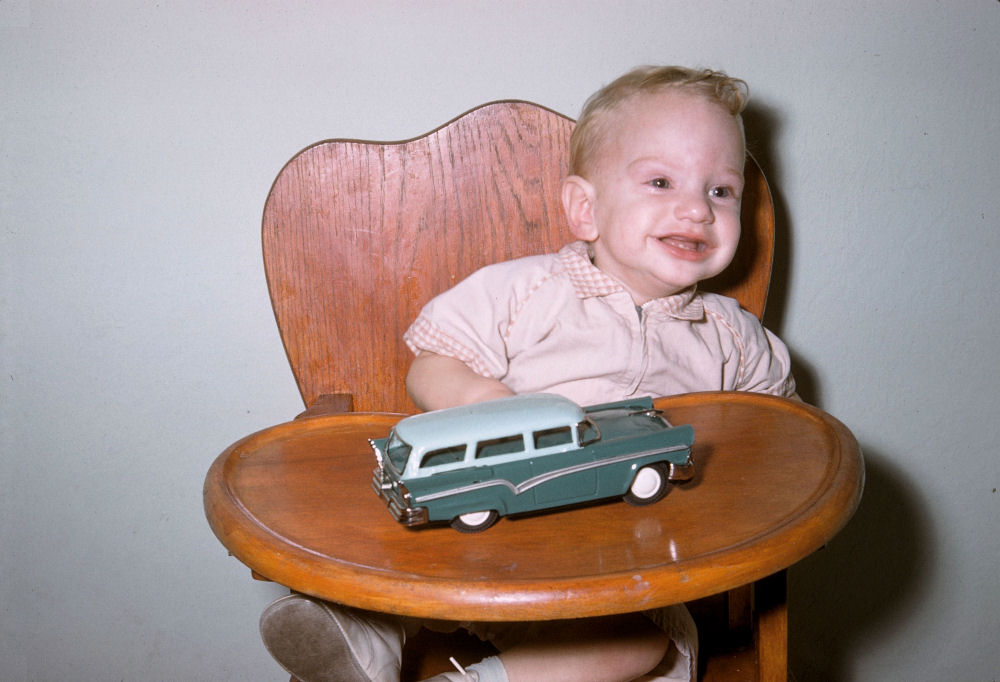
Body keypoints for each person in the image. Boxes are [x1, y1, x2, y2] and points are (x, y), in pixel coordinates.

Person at [259, 65, 796, 682]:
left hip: (627, 576)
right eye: (660, 180)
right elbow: (433, 361)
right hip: (486, 534)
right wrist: (488, 403)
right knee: (396, 552)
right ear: (585, 208)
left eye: (721, 191)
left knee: (638, 647)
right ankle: (359, 637)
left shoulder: (731, 336)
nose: (696, 209)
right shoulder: (527, 291)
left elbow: (777, 435)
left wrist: (752, 480)